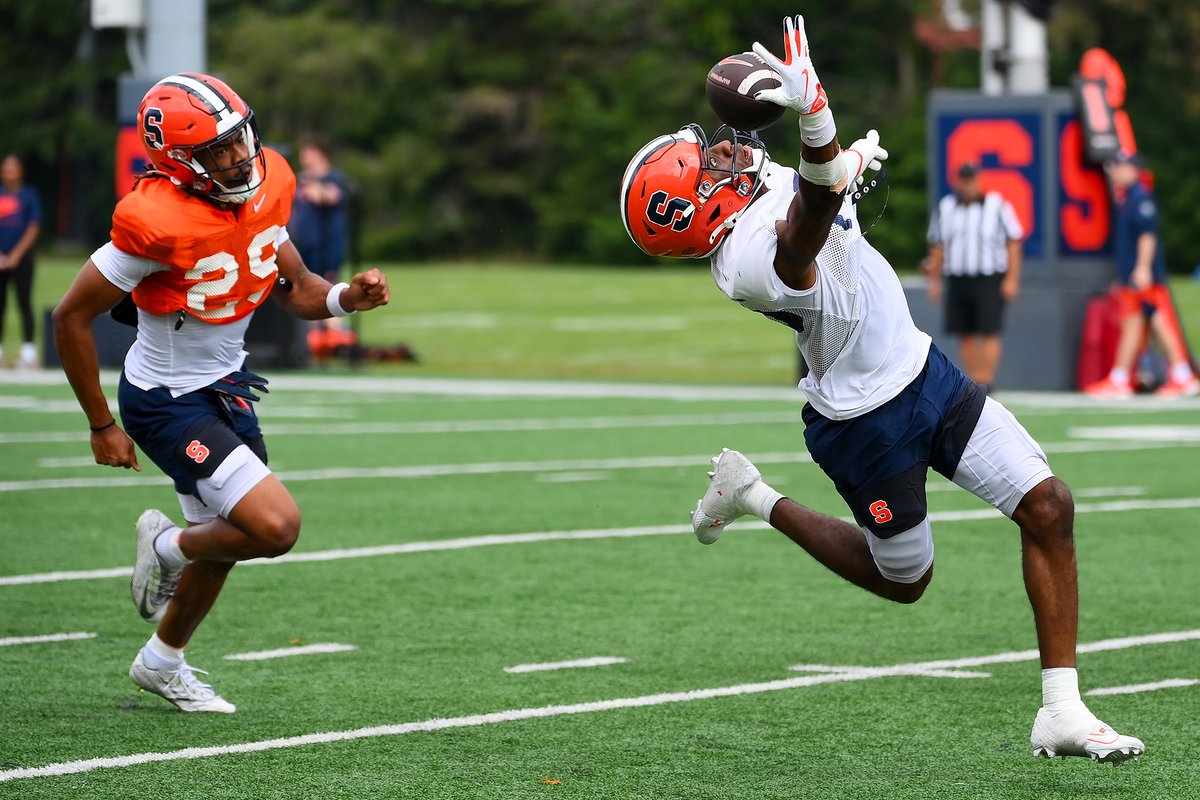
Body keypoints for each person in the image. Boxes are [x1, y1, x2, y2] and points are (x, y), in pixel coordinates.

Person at [620, 15, 1143, 764]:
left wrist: (846, 154)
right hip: (864, 421)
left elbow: (825, 192)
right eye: (707, 164)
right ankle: (753, 495)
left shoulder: (753, 189)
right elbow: (806, 230)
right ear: (696, 207)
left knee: (1049, 506)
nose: (725, 150)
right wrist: (818, 118)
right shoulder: (743, 260)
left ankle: (1061, 709)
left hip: (924, 370)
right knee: (906, 581)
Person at [53, 72, 389, 713]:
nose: (238, 157)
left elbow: (298, 290)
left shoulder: (268, 187)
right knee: (273, 526)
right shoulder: (155, 223)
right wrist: (100, 424)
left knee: (226, 542)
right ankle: (165, 546)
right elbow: (70, 315)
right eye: (217, 150)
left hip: (226, 389)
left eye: (239, 139)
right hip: (165, 400)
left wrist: (348, 298)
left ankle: (162, 661)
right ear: (177, 163)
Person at [1084, 150, 1198, 398]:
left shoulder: (1140, 197)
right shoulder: (1128, 198)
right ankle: (1122, 377)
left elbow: (1147, 236)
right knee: (1134, 323)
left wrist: (1143, 268)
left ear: (1134, 169)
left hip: (1143, 276)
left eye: (1120, 166)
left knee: (1156, 319)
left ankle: (1182, 375)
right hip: (1134, 276)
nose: (1115, 171)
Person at [925, 162, 1024, 392]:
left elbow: (1013, 243)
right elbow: (937, 247)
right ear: (956, 181)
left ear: (978, 180)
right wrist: (935, 281)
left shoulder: (997, 206)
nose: (967, 185)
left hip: (988, 277)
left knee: (989, 330)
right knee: (965, 331)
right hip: (958, 277)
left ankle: (988, 380)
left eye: (971, 179)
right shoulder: (945, 207)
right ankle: (975, 379)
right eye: (963, 179)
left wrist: (1011, 278)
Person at [0, 153, 43, 369]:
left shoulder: (28, 195)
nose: (9, 172)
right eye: (6, 168)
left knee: (24, 302)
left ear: (20, 171)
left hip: (22, 259)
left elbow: (33, 226)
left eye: (13, 168)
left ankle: (28, 352)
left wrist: (16, 255)